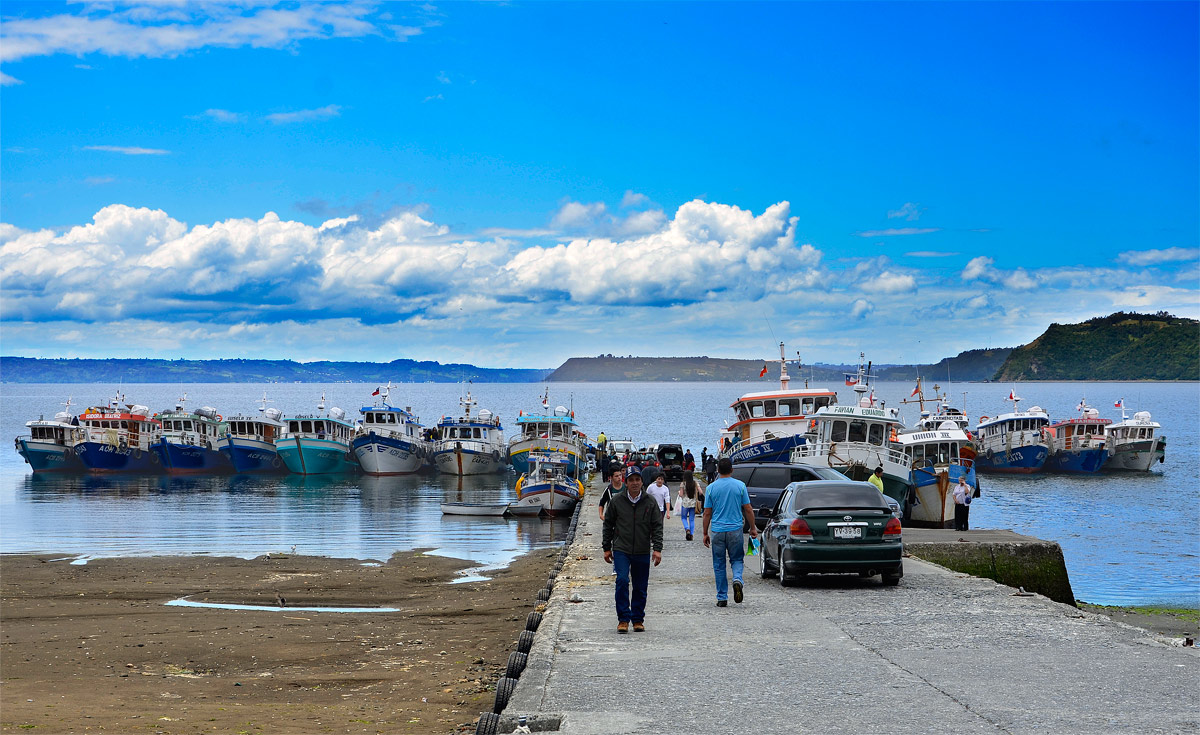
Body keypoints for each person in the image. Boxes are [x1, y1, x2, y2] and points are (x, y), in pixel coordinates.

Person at [602, 467, 663, 633]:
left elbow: (657, 526)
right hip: (622, 548)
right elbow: (608, 524)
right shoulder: (617, 501)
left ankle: (637, 619)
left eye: (638, 480)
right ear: (625, 482)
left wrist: (657, 549)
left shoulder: (650, 501)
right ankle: (623, 619)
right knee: (622, 580)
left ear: (642, 482)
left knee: (640, 586)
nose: (635, 483)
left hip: (642, 549)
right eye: (631, 480)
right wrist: (606, 548)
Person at [702, 457, 758, 607]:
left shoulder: (711, 488)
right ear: (732, 470)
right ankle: (737, 579)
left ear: (718, 470)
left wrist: (705, 533)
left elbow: (707, 513)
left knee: (719, 564)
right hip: (735, 530)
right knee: (737, 559)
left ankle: (722, 597)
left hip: (718, 530)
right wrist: (753, 528)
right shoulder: (740, 486)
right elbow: (748, 509)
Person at [676, 470, 700, 540]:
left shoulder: (683, 484)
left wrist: (679, 492)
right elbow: (701, 492)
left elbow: (681, 494)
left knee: (683, 518)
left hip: (685, 503)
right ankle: (691, 534)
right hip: (693, 503)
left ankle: (687, 529)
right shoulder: (695, 483)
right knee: (691, 519)